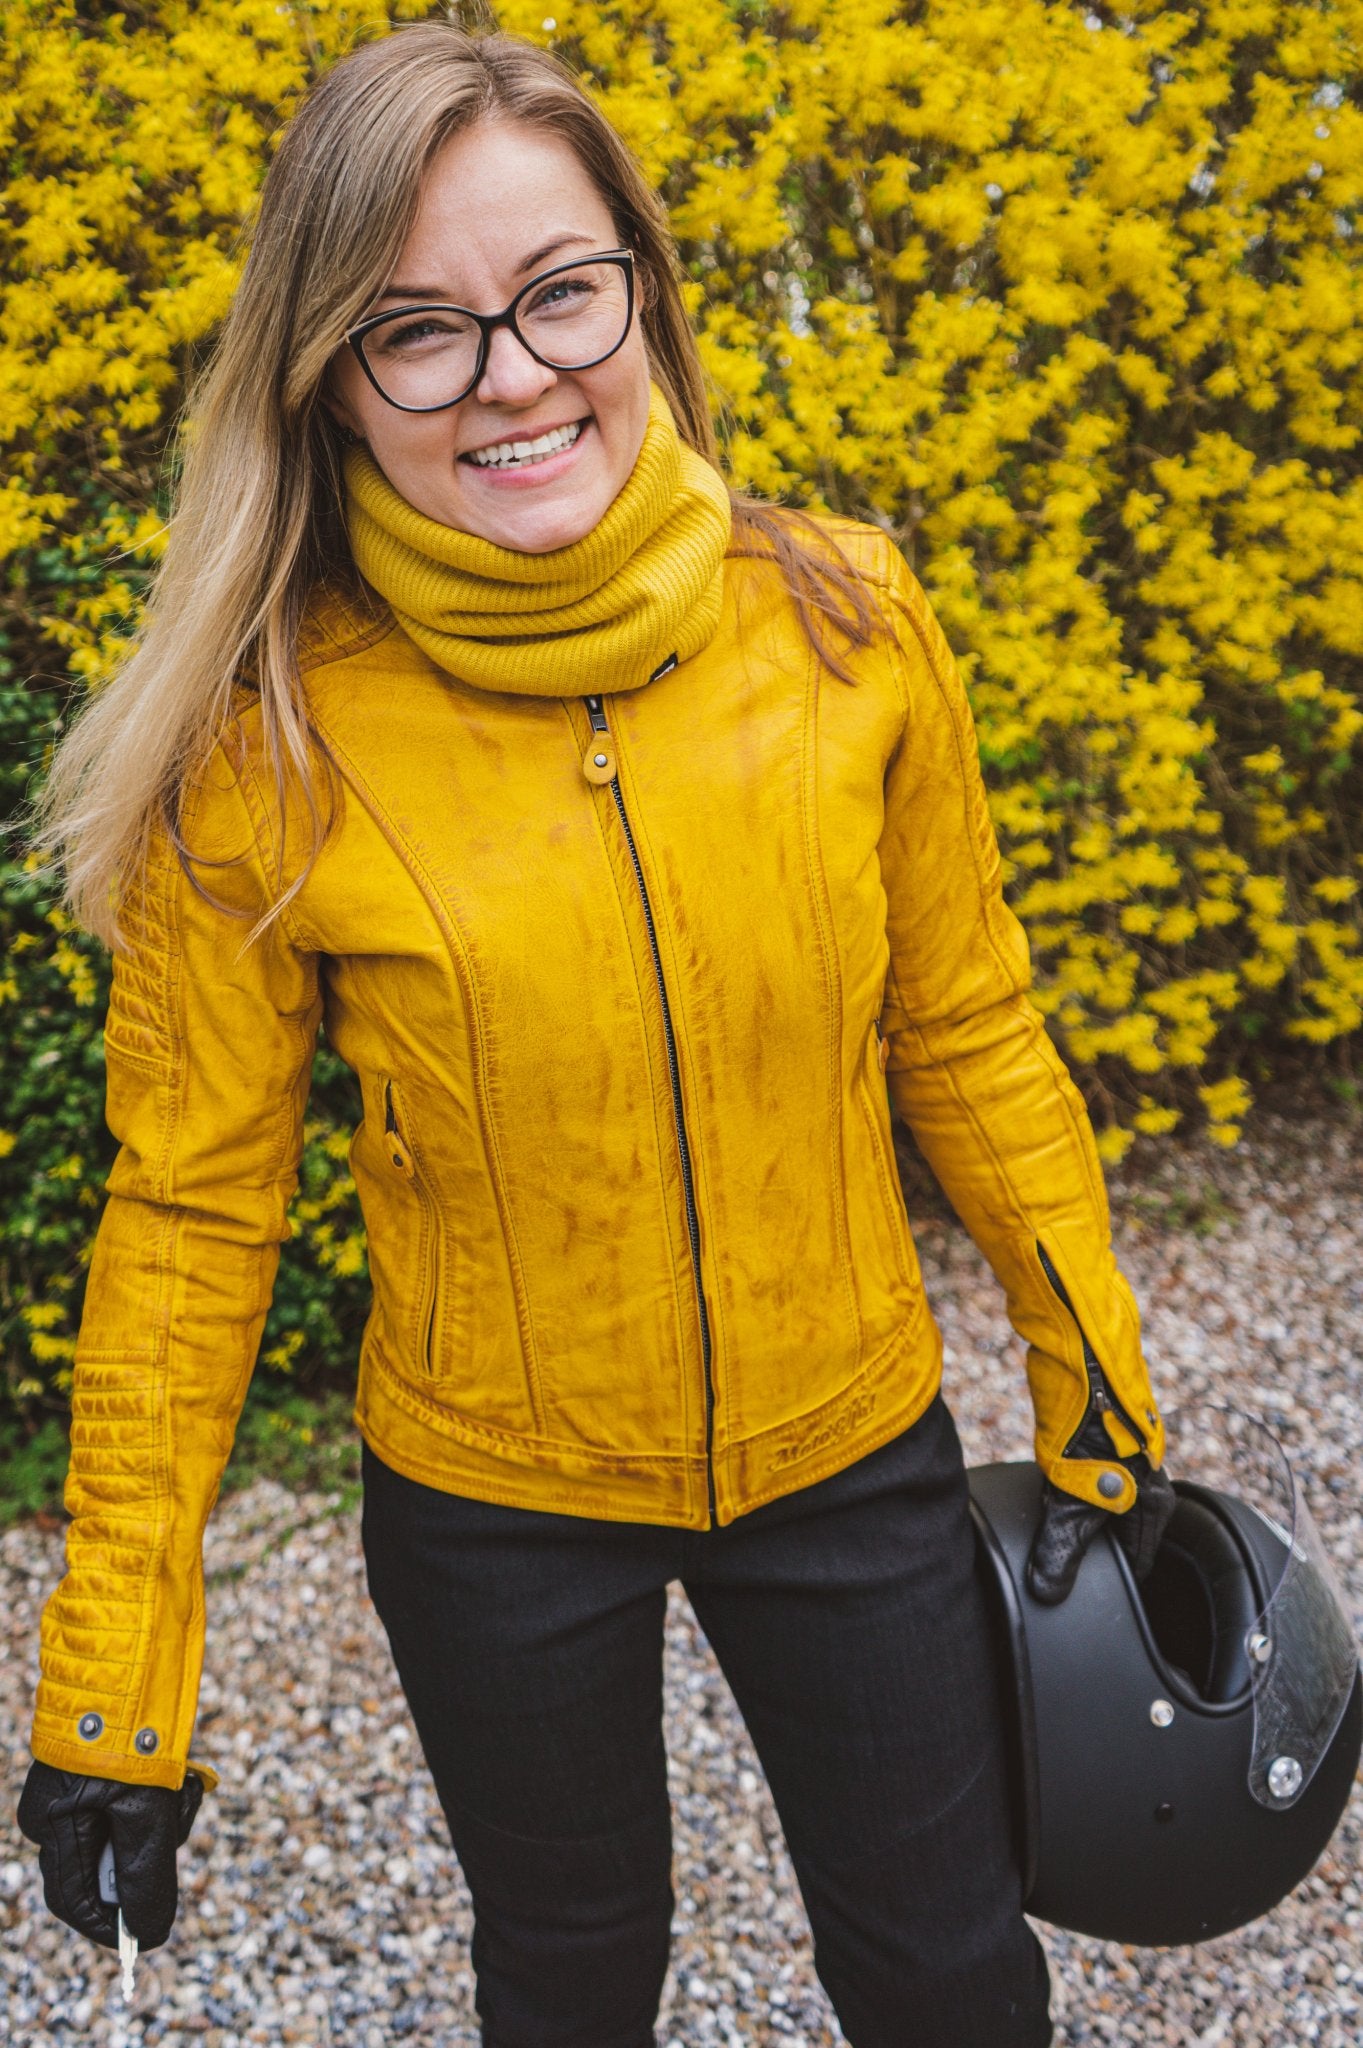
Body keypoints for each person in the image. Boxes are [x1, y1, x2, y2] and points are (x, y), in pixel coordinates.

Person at [17, 24, 1175, 2047]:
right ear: (329, 378)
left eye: (559, 291)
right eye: (418, 332)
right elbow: (192, 1218)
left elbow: (971, 1030)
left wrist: (1103, 1404)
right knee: (566, 1976)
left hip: (849, 1446)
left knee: (948, 1965)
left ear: (640, 281)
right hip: (495, 1501)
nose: (519, 375)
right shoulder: (262, 748)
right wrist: (117, 1674)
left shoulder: (843, 620)